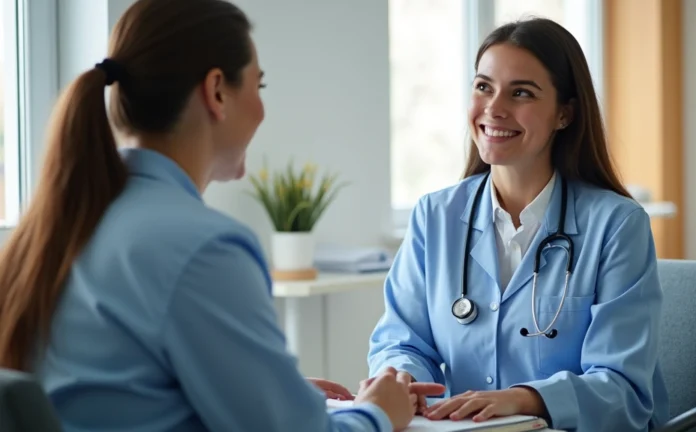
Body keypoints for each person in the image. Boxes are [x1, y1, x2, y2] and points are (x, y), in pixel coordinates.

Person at [0, 0, 444, 431]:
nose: (262, 109)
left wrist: (270, 390)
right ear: (216, 91)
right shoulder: (202, 246)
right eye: (259, 86)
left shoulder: (61, 226)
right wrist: (377, 413)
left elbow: (120, 395)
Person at [367, 17, 670, 432]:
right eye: (483, 87)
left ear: (564, 114)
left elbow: (623, 389)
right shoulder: (434, 216)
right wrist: (403, 380)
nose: (494, 108)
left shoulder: (617, 226)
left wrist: (526, 400)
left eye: (521, 92)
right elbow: (401, 341)